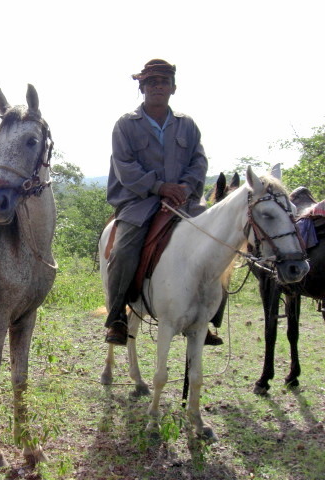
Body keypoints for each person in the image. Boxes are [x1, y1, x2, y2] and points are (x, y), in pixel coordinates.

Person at [104, 59, 223, 346]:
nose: (158, 86)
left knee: (218, 242)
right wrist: (159, 187)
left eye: (164, 82)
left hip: (184, 201)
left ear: (173, 88)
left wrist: (184, 187)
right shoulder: (126, 125)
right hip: (139, 202)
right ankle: (118, 316)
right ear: (142, 87)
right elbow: (125, 166)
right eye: (152, 82)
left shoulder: (187, 125)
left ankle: (207, 317)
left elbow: (199, 160)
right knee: (123, 250)